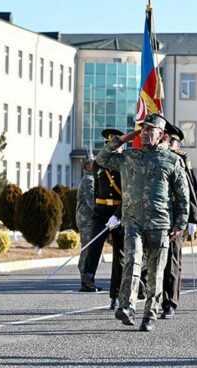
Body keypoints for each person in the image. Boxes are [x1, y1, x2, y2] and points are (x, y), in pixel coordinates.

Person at [95, 113, 189, 332]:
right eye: (143, 129)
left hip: (159, 223)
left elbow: (183, 197)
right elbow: (101, 160)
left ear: (162, 135)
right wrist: (123, 139)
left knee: (156, 272)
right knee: (132, 262)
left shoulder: (173, 160)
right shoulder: (129, 157)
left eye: (150, 130)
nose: (146, 133)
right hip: (133, 222)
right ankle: (127, 307)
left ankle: (150, 315)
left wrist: (180, 223)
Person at [81, 129, 125, 311]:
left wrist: (118, 215)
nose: (113, 150)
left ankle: (116, 295)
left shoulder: (126, 165)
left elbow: (129, 194)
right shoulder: (99, 164)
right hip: (101, 210)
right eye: (109, 146)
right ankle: (88, 275)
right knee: (94, 243)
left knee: (120, 256)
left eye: (116, 147)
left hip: (119, 211)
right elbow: (97, 189)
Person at [160, 122, 197, 319]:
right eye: (166, 139)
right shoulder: (155, 157)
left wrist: (193, 217)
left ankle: (169, 302)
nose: (168, 143)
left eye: (172, 141)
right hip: (155, 215)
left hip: (175, 216)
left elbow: (190, 191)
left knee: (172, 261)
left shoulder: (182, 161)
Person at [76, 158, 95, 291]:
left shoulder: (91, 179)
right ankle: (85, 280)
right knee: (87, 249)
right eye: (94, 163)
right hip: (86, 220)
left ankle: (88, 280)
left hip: (88, 219)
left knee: (90, 249)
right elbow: (92, 203)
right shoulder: (89, 181)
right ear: (88, 166)